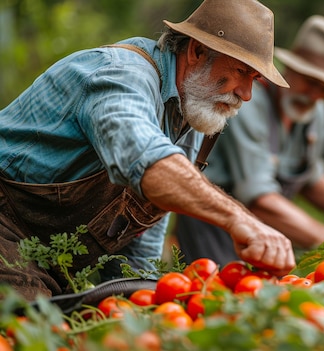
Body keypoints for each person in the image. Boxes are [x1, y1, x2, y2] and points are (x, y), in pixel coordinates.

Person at [0, 0, 296, 301]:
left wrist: (138, 302)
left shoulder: (188, 112)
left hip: (46, 260)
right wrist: (239, 219)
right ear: (196, 52)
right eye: (241, 71)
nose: (246, 95)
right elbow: (149, 163)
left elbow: (144, 232)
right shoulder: (121, 76)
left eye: (254, 79)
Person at [174, 15, 324, 266]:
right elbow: (261, 200)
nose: (314, 96)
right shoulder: (247, 104)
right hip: (213, 230)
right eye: (310, 82)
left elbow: (313, 179)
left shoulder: (315, 114)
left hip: (268, 237)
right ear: (290, 67)